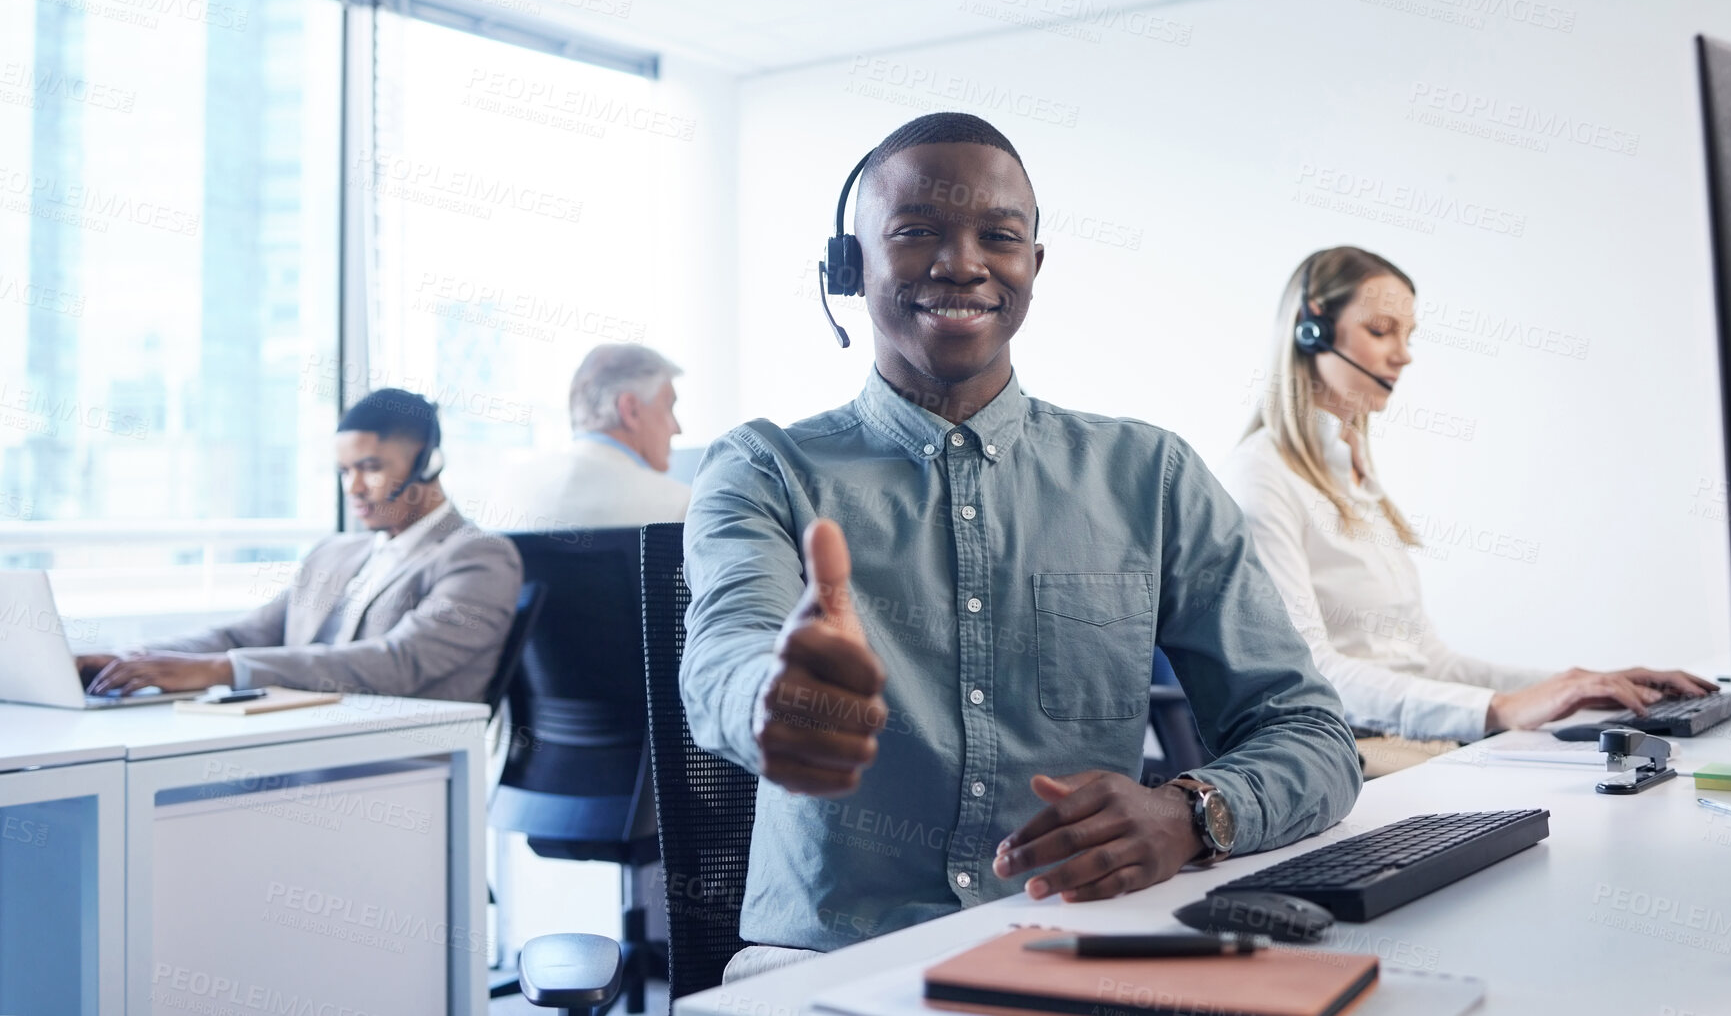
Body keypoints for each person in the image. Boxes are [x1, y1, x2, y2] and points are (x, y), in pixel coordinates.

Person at [681, 113, 1360, 976]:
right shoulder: (763, 467)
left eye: (997, 236)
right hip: (832, 965)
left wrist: (1190, 812)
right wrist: (772, 699)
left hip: (1076, 950)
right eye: (915, 231)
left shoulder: (1149, 474)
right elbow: (722, 658)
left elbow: (1310, 730)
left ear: (1033, 266)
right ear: (848, 268)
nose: (961, 262)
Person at [1217, 246, 1714, 771]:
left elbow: (1430, 661)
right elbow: (1313, 675)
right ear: (1310, 329)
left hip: (1418, 742)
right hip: (1351, 755)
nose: (1403, 355)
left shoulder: (1357, 479)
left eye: (1409, 337)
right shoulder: (1262, 479)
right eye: (1382, 330)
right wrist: (1498, 709)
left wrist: (1581, 686)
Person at [78, 389, 522, 702]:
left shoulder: (478, 556)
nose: (354, 488)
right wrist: (131, 660)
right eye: (344, 471)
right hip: (295, 737)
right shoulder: (336, 553)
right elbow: (244, 636)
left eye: (370, 467)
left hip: (400, 765)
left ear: (428, 462)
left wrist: (223, 670)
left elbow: (400, 662)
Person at [487, 343, 690, 529]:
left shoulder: (509, 488)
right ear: (631, 411)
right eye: (669, 407)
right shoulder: (681, 507)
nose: (677, 428)